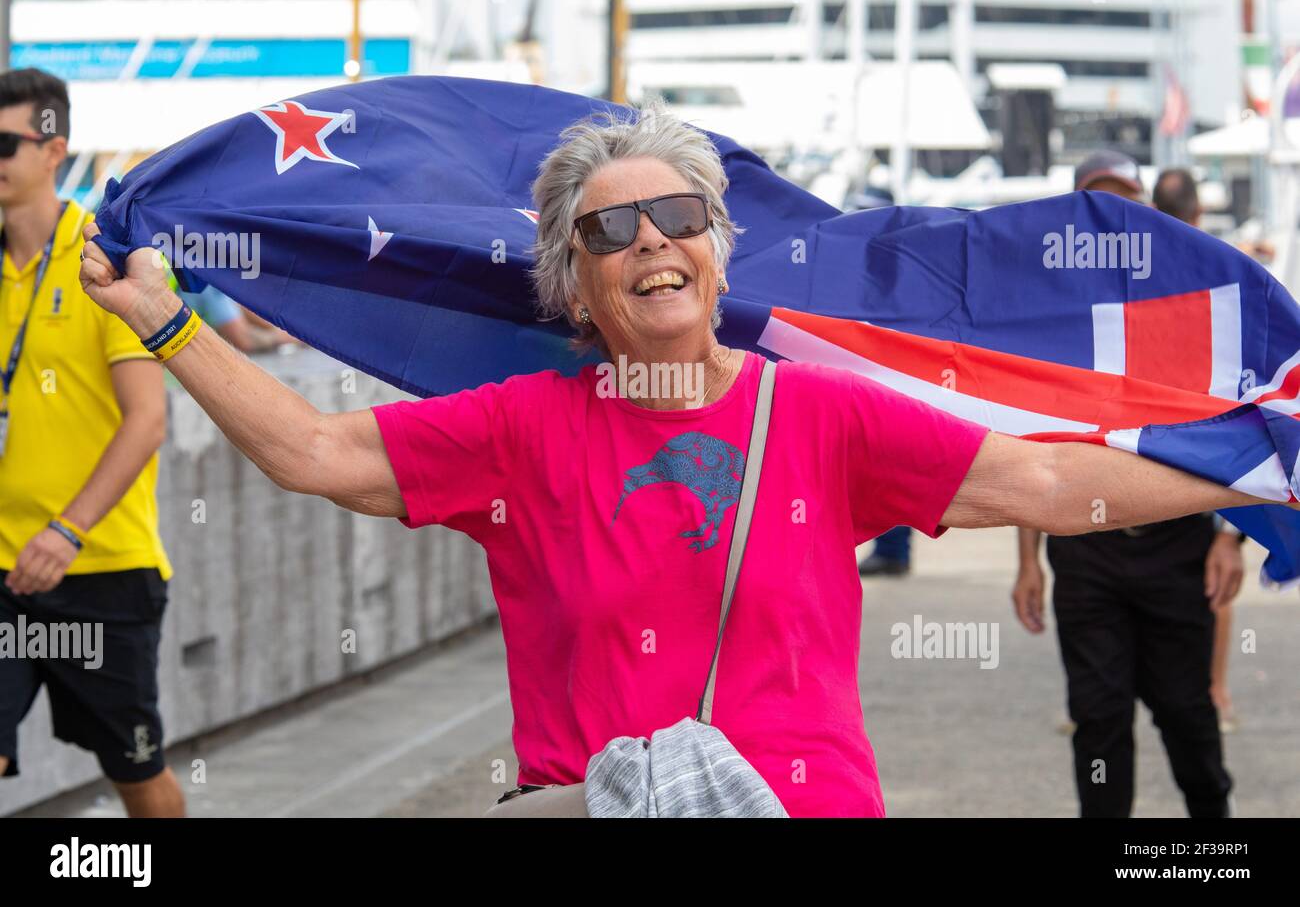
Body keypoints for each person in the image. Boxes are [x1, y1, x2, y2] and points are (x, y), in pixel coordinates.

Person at [78, 104, 1278, 818]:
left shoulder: (824, 415)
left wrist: (1255, 460)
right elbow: (312, 448)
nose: (649, 239)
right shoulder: (520, 429)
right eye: (609, 230)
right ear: (575, 284)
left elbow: (1052, 486)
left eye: (678, 216)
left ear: (717, 249)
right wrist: (165, 322)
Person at [1011, 152, 1243, 818]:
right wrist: (1028, 561)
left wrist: (1231, 537)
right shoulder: (1047, 322)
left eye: (1122, 204)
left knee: (1186, 716)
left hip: (1176, 547)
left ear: (1142, 213)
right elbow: (1033, 446)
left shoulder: (1188, 301)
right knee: (1099, 719)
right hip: (1086, 550)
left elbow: (1234, 423)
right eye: (1094, 206)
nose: (1108, 222)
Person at [0, 68, 183, 816]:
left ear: (53, 148)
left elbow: (148, 419)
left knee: (135, 773)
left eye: (3, 142)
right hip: (3, 572)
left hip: (101, 569)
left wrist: (66, 530)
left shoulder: (106, 258)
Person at [1153, 166, 1245, 732]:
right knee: (1218, 574)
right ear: (1199, 215)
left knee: (1202, 573)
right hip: (1216, 444)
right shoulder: (1224, 271)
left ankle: (1202, 691)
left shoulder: (1142, 271)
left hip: (1172, 444)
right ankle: (1214, 688)